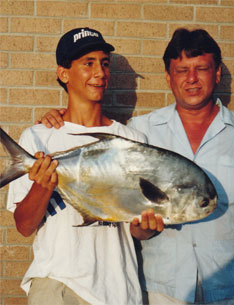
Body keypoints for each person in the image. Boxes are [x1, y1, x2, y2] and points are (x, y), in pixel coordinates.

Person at [38, 28, 234, 305]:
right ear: (168, 77)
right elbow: (106, 165)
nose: (192, 79)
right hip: (163, 292)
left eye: (202, 68)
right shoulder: (141, 131)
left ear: (217, 74)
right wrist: (58, 118)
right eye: (181, 71)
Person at [6, 27, 146, 305]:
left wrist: (148, 229)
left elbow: (136, 227)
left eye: (104, 63)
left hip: (116, 288)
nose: (100, 72)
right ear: (64, 74)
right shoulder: (37, 137)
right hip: (56, 283)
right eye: (88, 63)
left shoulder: (133, 139)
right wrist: (42, 187)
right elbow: (24, 226)